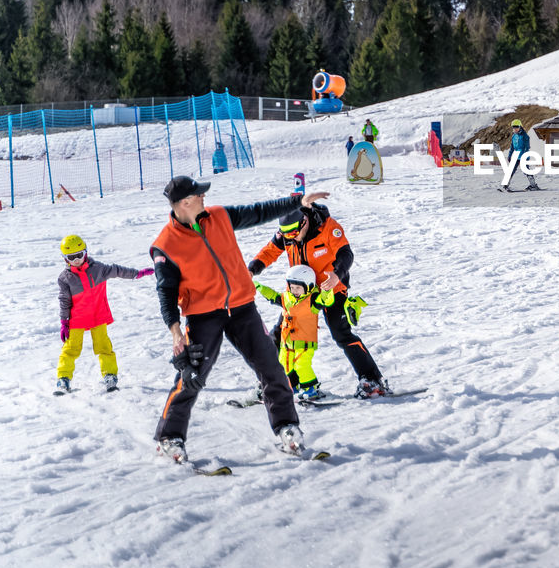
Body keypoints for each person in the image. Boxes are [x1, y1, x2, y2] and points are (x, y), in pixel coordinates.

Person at [149, 175, 329, 462]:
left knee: (271, 367)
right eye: (198, 196)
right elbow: (166, 292)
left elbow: (258, 211)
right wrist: (175, 333)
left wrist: (298, 201)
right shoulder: (165, 245)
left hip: (242, 307)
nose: (203, 198)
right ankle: (169, 436)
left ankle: (287, 427)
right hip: (202, 315)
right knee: (191, 378)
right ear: (184, 203)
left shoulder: (218, 216)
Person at [250, 203, 391, 398]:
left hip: (331, 288)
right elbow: (269, 252)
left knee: (341, 332)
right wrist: (251, 270)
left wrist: (336, 275)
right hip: (301, 294)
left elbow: (346, 254)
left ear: (304, 222)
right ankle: (280, 382)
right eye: (286, 236)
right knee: (283, 335)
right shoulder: (288, 233)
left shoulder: (328, 228)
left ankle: (372, 380)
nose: (289, 239)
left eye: (293, 234)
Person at [55, 235, 153, 394]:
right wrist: (64, 322)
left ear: (85, 252)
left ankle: (110, 375)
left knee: (104, 347)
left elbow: (118, 270)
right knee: (70, 349)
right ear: (65, 258)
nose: (76, 260)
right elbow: (64, 301)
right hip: (76, 320)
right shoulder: (65, 278)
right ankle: (63, 379)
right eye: (71, 257)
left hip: (97, 316)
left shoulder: (98, 269)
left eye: (79, 255)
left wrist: (137, 274)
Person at [254, 265, 337, 401]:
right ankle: (291, 387)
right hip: (287, 341)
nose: (294, 290)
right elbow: (274, 296)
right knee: (284, 364)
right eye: (292, 287)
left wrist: (327, 290)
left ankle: (311, 389)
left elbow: (326, 301)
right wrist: (260, 287)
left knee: (301, 364)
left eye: (298, 288)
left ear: (309, 286)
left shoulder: (313, 301)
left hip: (304, 342)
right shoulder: (288, 298)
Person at [499, 119, 540, 191]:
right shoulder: (514, 136)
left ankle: (533, 186)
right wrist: (509, 155)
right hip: (516, 156)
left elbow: (527, 147)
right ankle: (505, 186)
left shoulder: (525, 136)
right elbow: (512, 147)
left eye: (516, 127)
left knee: (526, 171)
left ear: (520, 127)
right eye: (514, 127)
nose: (515, 129)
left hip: (523, 156)